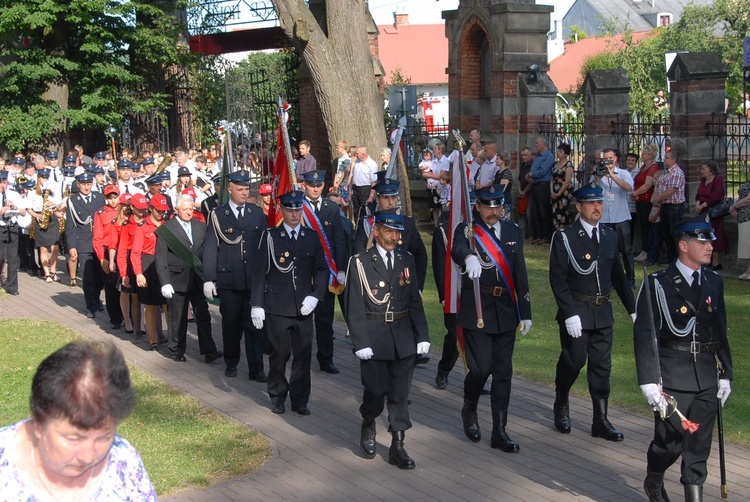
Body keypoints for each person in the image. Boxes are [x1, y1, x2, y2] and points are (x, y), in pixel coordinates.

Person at [634, 214, 732, 502]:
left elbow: (720, 331)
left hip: (705, 375)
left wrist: (726, 373)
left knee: (699, 445)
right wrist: (649, 381)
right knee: (670, 444)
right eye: (703, 242)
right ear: (683, 245)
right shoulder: (658, 282)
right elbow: (644, 335)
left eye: (710, 242)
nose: (710, 247)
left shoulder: (714, 281)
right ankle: (654, 478)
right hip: (672, 376)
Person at [0, 340, 156, 500]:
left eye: (104, 437)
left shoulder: (124, 461)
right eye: (74, 438)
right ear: (39, 422)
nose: (88, 457)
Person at [549, 182, 636, 442]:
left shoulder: (609, 235)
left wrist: (633, 309)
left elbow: (618, 277)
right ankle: (562, 399)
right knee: (574, 361)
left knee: (601, 367)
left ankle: (600, 420)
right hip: (577, 310)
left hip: (603, 311)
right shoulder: (565, 237)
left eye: (599, 203)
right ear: (580, 207)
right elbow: (558, 279)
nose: (597, 208)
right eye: (591, 204)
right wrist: (569, 312)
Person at [345, 208, 430, 469]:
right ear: (376, 231)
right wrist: (361, 342)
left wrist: (422, 335)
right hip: (375, 336)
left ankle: (398, 446)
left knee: (400, 394)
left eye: (397, 232)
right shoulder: (360, 262)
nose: (394, 237)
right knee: (375, 391)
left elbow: (414, 300)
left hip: (403, 336)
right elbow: (354, 305)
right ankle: (369, 422)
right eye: (389, 231)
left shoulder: (406, 260)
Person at [451, 185, 532, 453]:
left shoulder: (512, 232)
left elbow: (519, 272)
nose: (493, 212)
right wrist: (468, 256)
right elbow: (457, 248)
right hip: (479, 310)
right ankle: (470, 406)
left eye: (498, 206)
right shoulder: (468, 230)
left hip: (506, 311)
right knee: (481, 369)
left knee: (503, 373)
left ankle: (500, 430)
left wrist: (526, 312)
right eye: (488, 206)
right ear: (478, 206)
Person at [251, 189, 329, 415]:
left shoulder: (311, 237)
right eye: (290, 210)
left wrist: (315, 295)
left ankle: (300, 399)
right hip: (278, 306)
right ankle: (277, 395)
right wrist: (257, 304)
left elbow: (322, 270)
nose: (295, 214)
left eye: (298, 209)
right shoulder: (270, 237)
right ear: (282, 210)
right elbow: (259, 273)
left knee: (303, 355)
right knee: (279, 354)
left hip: (304, 306)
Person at [204, 170, 268, 380]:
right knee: (231, 325)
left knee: (254, 327)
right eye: (239, 189)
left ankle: (256, 368)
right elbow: (212, 247)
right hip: (229, 279)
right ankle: (231, 363)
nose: (244, 192)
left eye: (246, 189)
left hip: (252, 280)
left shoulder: (256, 213)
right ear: (229, 190)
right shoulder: (218, 215)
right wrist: (208, 278)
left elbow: (263, 247)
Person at [155, 194, 223, 363]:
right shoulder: (167, 229)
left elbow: (208, 253)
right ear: (176, 209)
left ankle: (209, 350)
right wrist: (165, 282)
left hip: (198, 279)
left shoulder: (201, 226)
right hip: (177, 280)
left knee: (203, 316)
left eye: (191, 209)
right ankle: (176, 350)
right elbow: (161, 257)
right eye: (184, 209)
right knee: (177, 318)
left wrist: (210, 277)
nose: (188, 212)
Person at [299, 170, 349, 374]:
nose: (316, 188)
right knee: (302, 319)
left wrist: (341, 269)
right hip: (303, 272)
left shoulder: (331, 207)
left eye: (319, 184)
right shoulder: (297, 207)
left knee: (325, 319)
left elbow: (339, 240)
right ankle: (301, 356)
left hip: (326, 272)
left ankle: (326, 359)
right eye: (312, 184)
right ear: (305, 185)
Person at [131, 194, 169, 350]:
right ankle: (152, 339)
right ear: (151, 209)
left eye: (163, 211)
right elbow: (135, 253)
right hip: (148, 265)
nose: (161, 214)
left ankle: (172, 338)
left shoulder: (167, 225)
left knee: (167, 304)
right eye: (158, 210)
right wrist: (138, 273)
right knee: (151, 305)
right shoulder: (143, 227)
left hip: (164, 264)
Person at [65, 172, 106, 318]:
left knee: (101, 276)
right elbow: (70, 226)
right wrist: (72, 246)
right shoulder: (73, 201)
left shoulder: (99, 198)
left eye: (89, 184)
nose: (86, 187)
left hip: (99, 243)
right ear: (78, 185)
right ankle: (91, 306)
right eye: (83, 184)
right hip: (83, 244)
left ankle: (96, 298)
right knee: (88, 277)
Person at [594, 148, 635, 288]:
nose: (607, 161)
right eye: (605, 158)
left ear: (616, 158)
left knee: (625, 250)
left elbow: (628, 187)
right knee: (608, 251)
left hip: (620, 216)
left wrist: (612, 176)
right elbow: (594, 189)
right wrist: (597, 176)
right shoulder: (600, 173)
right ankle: (610, 279)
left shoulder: (623, 173)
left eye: (610, 158)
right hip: (605, 218)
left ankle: (630, 279)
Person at [92, 184, 125, 330]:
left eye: (115, 197)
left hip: (123, 250)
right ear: (105, 198)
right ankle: (115, 318)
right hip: (107, 251)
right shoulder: (100, 214)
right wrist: (101, 258)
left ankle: (128, 316)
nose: (113, 201)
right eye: (110, 198)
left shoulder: (124, 210)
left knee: (125, 285)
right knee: (111, 287)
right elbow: (97, 237)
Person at [26, 169, 63, 283]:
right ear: (39, 178)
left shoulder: (53, 190)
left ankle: (53, 270)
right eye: (43, 177)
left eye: (46, 177)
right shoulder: (33, 192)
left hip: (51, 218)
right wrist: (35, 215)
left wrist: (54, 205)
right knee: (43, 249)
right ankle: (46, 273)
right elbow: (28, 208)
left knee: (55, 248)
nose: (45, 180)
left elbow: (60, 206)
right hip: (40, 218)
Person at [652, 150, 685, 264]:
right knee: (665, 232)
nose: (664, 160)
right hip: (664, 206)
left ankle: (678, 257)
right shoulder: (664, 173)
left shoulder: (677, 173)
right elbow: (657, 185)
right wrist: (656, 200)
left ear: (673, 160)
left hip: (674, 207)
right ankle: (669, 256)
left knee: (674, 232)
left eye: (666, 158)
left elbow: (671, 190)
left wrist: (657, 199)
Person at [631, 144, 660, 264]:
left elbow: (647, 185)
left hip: (646, 200)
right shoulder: (643, 166)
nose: (642, 155)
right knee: (642, 226)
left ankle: (648, 250)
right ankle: (643, 249)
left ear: (650, 155)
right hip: (640, 199)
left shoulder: (653, 168)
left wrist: (635, 193)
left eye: (644, 153)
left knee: (647, 226)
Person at [0, 171, 29, 295]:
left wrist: (13, 208)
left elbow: (23, 212)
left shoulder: (13, 194)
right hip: (1, 227)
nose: (3, 185)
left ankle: (12, 287)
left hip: (12, 227)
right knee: (1, 257)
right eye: (1, 183)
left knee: (13, 259)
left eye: (5, 182)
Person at [695, 160, 727, 269]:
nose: (702, 171)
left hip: (714, 213)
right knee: (705, 236)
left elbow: (716, 196)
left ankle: (716, 262)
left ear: (711, 170)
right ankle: (706, 260)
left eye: (704, 169)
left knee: (715, 236)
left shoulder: (717, 180)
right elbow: (698, 194)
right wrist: (698, 204)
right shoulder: (703, 180)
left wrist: (703, 205)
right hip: (703, 213)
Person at [526, 136, 555, 245]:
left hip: (544, 185)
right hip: (536, 185)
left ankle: (546, 235)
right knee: (535, 211)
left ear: (543, 144)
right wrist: (529, 175)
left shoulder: (548, 156)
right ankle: (538, 234)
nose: (536, 145)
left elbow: (543, 171)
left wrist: (531, 174)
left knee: (544, 211)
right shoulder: (537, 156)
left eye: (537, 143)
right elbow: (533, 169)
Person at [422, 143, 450, 226]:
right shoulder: (433, 161)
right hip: (432, 187)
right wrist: (426, 174)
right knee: (434, 207)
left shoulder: (445, 161)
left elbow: (442, 175)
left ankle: (442, 225)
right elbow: (427, 171)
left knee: (440, 207)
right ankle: (436, 226)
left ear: (440, 150)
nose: (433, 150)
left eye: (435, 148)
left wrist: (429, 175)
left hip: (440, 187)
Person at [350, 146, 379, 222]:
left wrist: (371, 196)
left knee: (365, 211)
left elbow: (374, 182)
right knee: (356, 211)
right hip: (355, 188)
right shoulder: (356, 162)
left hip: (366, 189)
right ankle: (357, 228)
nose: (356, 155)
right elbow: (352, 178)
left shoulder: (372, 164)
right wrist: (350, 192)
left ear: (363, 154)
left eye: (357, 153)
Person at [550, 143, 574, 230]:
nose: (558, 153)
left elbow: (567, 181)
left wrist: (559, 193)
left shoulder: (568, 165)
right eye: (558, 151)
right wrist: (552, 191)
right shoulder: (555, 164)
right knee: (554, 212)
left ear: (566, 154)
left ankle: (564, 230)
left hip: (564, 192)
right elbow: (552, 179)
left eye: (561, 151)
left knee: (562, 212)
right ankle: (556, 231)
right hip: (555, 191)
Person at [730, 180, 750, 279]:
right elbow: (742, 197)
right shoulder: (747, 182)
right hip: (743, 217)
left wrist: (734, 206)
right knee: (746, 243)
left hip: (749, 216)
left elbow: (748, 199)